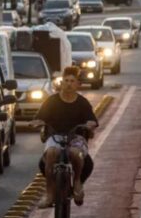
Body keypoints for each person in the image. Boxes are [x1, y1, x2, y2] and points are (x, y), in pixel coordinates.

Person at [36, 67, 98, 208]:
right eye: (66, 80)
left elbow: (92, 119)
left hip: (76, 137)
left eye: (72, 81)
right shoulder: (51, 101)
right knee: (51, 153)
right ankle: (50, 194)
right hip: (56, 136)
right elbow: (40, 117)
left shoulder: (82, 102)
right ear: (61, 83)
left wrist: (90, 124)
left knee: (75, 154)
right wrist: (37, 122)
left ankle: (76, 182)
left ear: (77, 84)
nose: (69, 84)